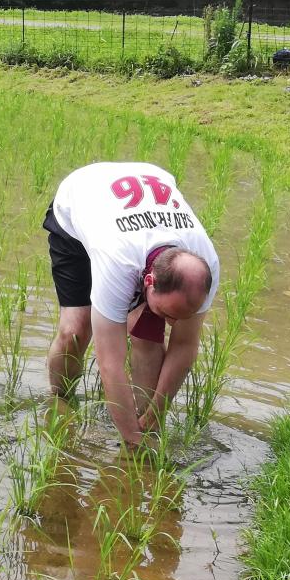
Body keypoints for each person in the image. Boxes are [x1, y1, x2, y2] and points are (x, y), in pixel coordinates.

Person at [43, 162, 221, 449]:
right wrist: (132, 439)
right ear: (148, 280)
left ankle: (142, 418)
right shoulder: (118, 263)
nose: (173, 324)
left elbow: (184, 346)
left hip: (138, 209)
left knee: (147, 334)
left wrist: (154, 416)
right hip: (80, 206)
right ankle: (60, 399)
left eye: (179, 316)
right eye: (167, 314)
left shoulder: (205, 264)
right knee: (75, 330)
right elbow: (110, 362)